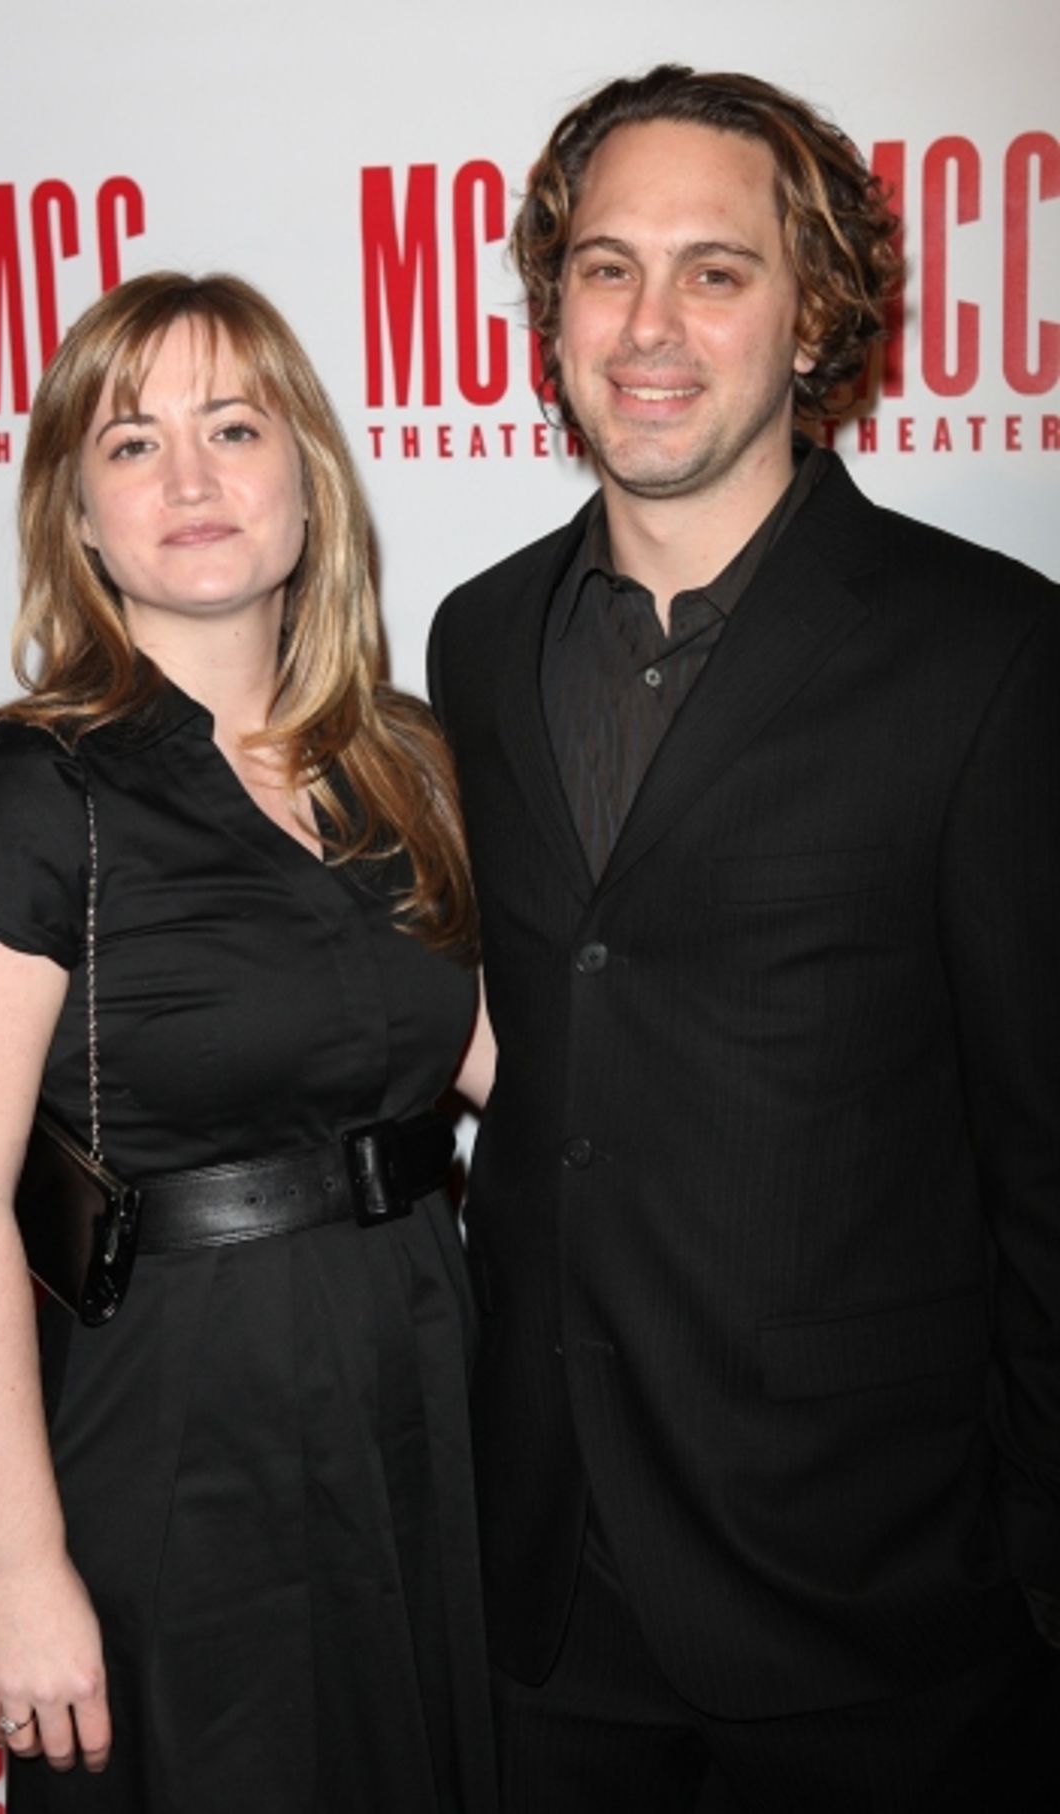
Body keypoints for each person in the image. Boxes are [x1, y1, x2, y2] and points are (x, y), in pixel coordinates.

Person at [428, 63, 1059, 1814]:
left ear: (813, 316)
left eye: (717, 269)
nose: (651, 323)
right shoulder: (474, 644)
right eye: (607, 265)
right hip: (541, 1593)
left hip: (876, 1608)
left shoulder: (989, 655)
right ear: (552, 305)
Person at [0, 270, 497, 1813]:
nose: (194, 478)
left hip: (427, 1371)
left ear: (309, 486)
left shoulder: (407, 758)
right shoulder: (18, 798)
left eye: (234, 425)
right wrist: (16, 1565)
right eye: (133, 442)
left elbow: (507, 1065)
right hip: (179, 1413)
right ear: (77, 512)